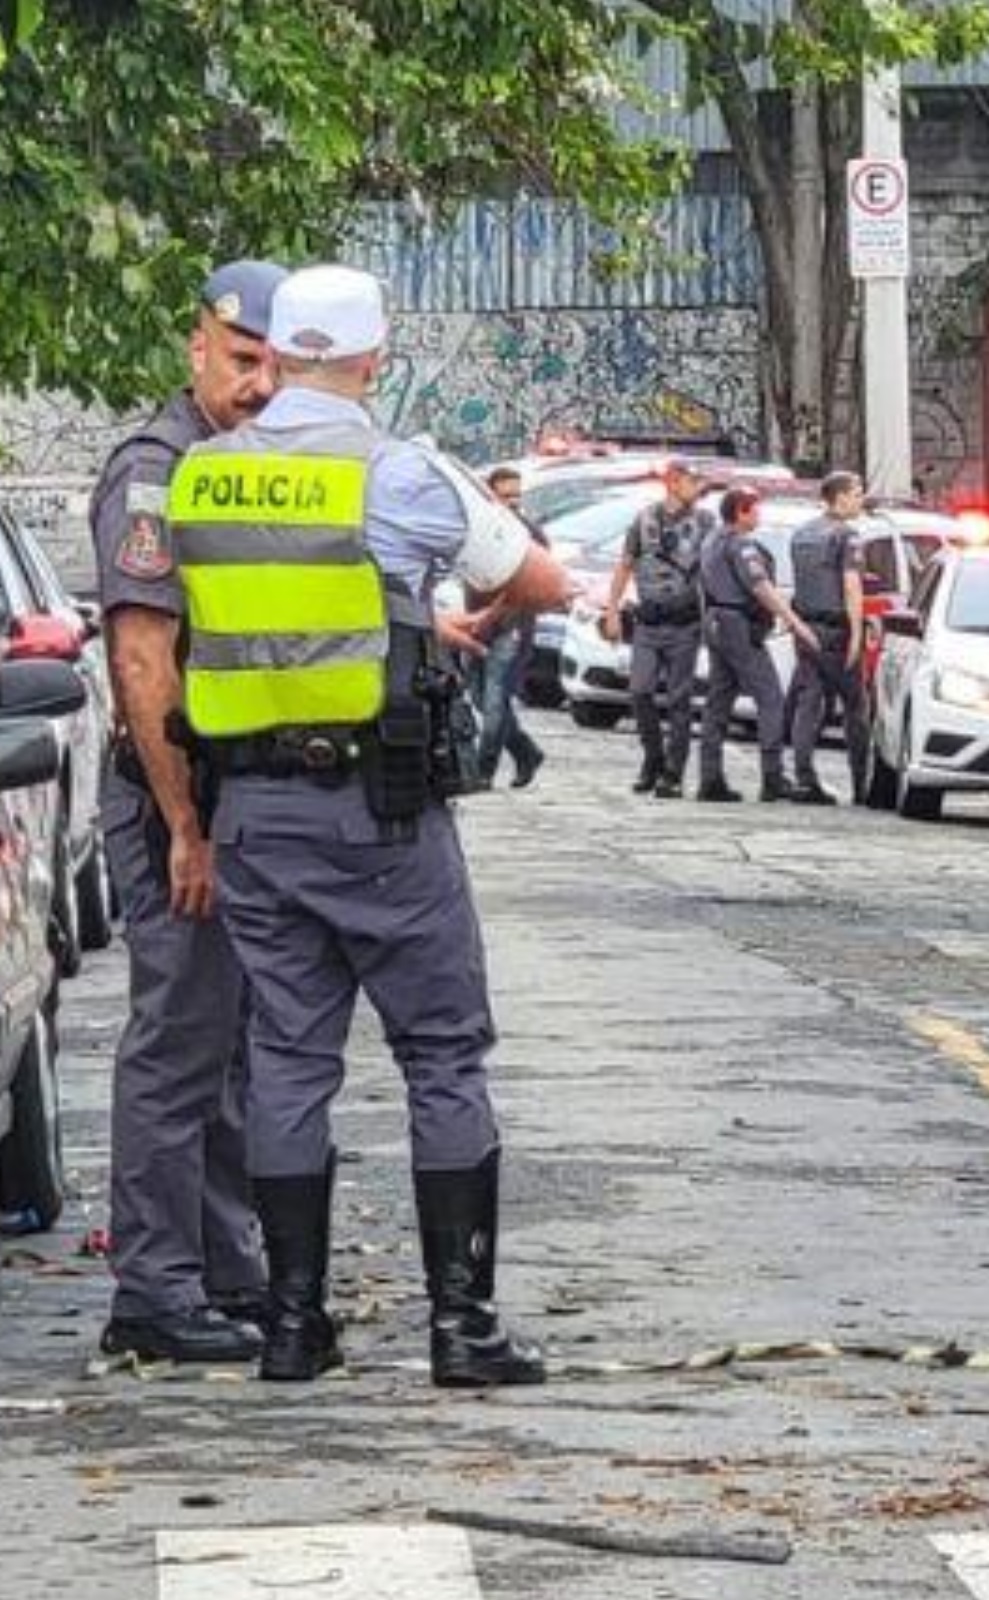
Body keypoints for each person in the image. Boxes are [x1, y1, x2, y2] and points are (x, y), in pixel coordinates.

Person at [165, 264, 570, 1386]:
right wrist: (453, 616)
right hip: (379, 814)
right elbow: (546, 582)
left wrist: (394, 622)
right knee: (442, 1055)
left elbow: (264, 617)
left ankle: (291, 1327)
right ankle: (463, 1328)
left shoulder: (201, 478)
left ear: (275, 355)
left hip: (250, 811)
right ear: (375, 359)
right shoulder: (401, 472)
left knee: (289, 1062)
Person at [89, 261, 287, 1367]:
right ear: (195, 348)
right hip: (180, 796)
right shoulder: (156, 473)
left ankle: (224, 1264)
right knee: (177, 1041)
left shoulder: (242, 468)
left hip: (240, 797)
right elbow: (140, 653)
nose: (258, 383)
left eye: (274, 363)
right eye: (240, 357)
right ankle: (155, 1289)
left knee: (230, 1042)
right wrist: (184, 826)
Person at [697, 487, 818, 803]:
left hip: (714, 620)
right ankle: (772, 776)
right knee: (770, 699)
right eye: (755, 509)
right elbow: (761, 587)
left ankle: (709, 777)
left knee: (719, 700)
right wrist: (795, 623)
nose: (759, 515)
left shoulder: (711, 540)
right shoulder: (741, 546)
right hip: (738, 623)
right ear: (741, 512)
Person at [601, 458, 712, 797]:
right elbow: (625, 564)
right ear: (674, 483)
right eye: (693, 482)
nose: (699, 488)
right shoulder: (645, 518)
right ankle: (653, 757)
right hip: (649, 621)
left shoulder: (706, 522)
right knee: (640, 691)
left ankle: (673, 773)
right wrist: (613, 610)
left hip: (684, 623)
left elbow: (714, 568)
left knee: (680, 699)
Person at [787, 471, 870, 805]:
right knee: (855, 706)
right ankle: (861, 782)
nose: (861, 499)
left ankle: (803, 777)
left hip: (807, 628)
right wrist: (857, 633)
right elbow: (852, 586)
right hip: (836, 631)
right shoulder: (848, 537)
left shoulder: (801, 534)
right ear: (840, 497)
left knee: (809, 703)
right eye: (857, 493)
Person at [470, 467, 546, 789]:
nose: (514, 502)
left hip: (512, 627)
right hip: (476, 624)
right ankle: (525, 750)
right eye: (506, 496)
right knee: (478, 698)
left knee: (495, 702)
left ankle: (482, 770)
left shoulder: (530, 535)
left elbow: (545, 580)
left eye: (518, 495)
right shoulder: (477, 528)